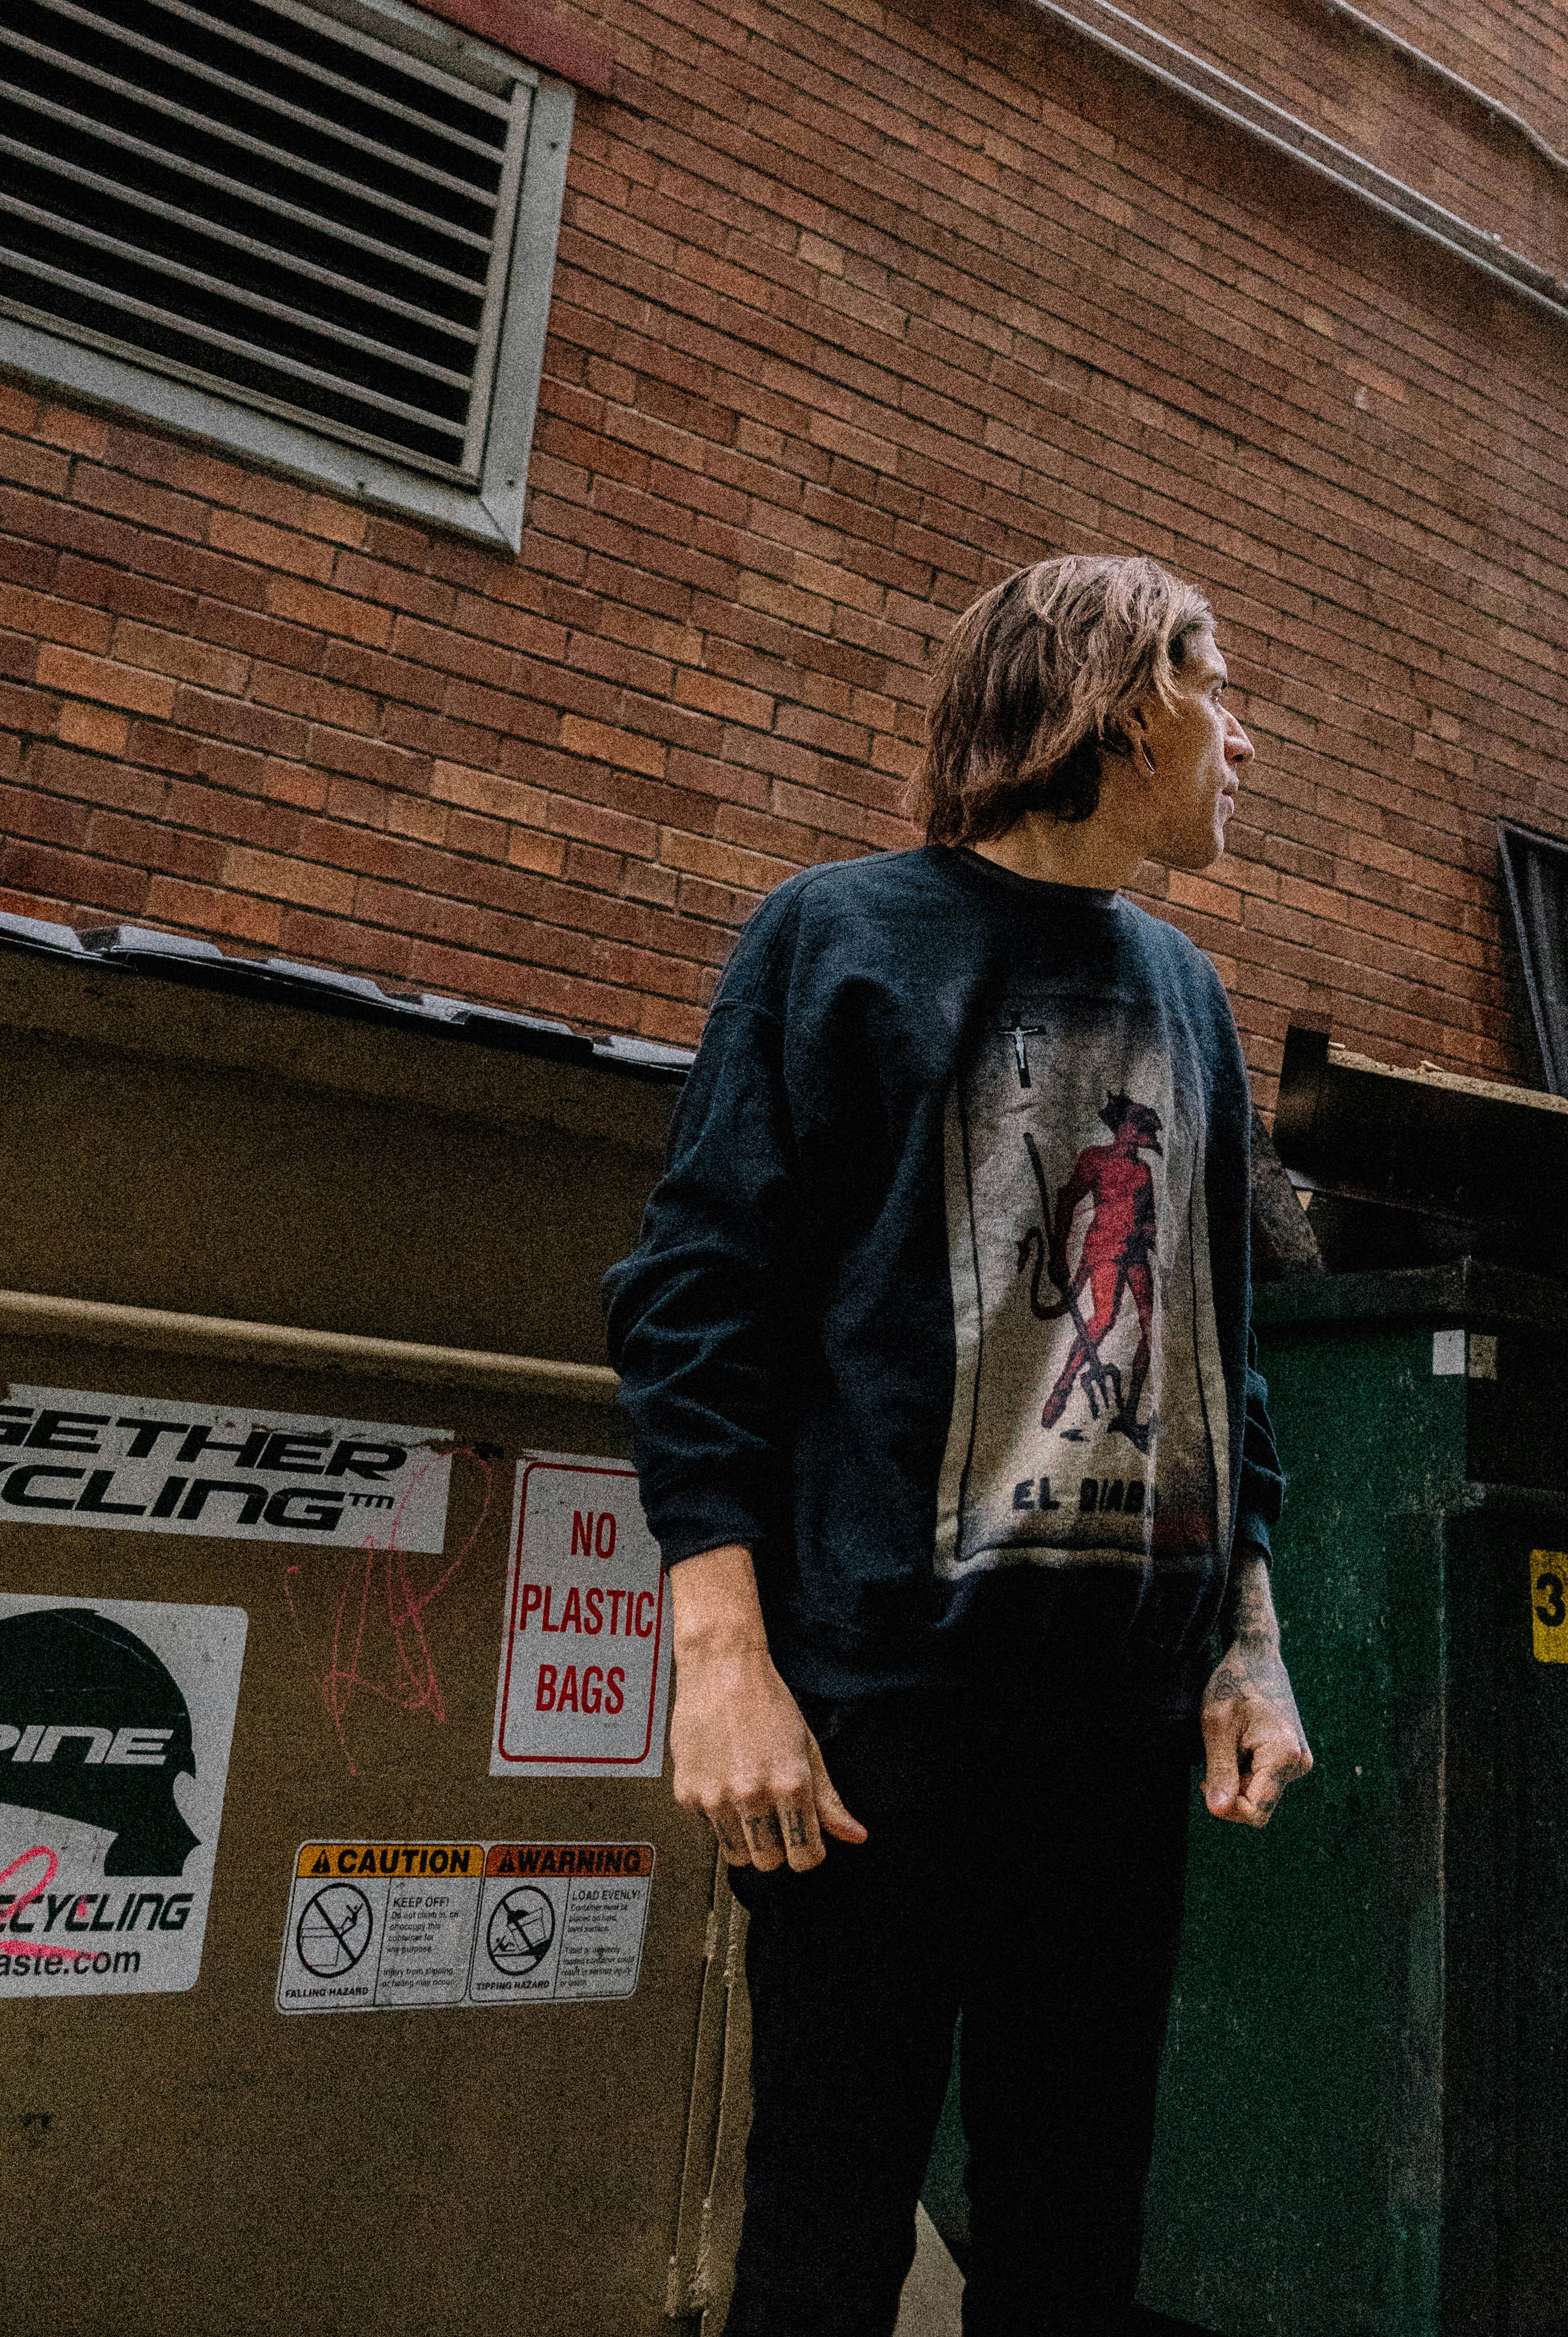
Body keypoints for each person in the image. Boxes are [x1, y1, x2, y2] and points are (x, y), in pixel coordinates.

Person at [607, 553, 1313, 2337]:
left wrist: (1250, 1647)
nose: (1243, 735)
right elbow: (694, 1302)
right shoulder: (833, 938)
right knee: (826, 2235)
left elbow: (1222, 1352)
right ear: (1113, 698)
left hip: (1118, 1729)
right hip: (877, 1719)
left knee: (1070, 2243)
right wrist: (721, 1662)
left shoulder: (1195, 999)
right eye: (1214, 685)